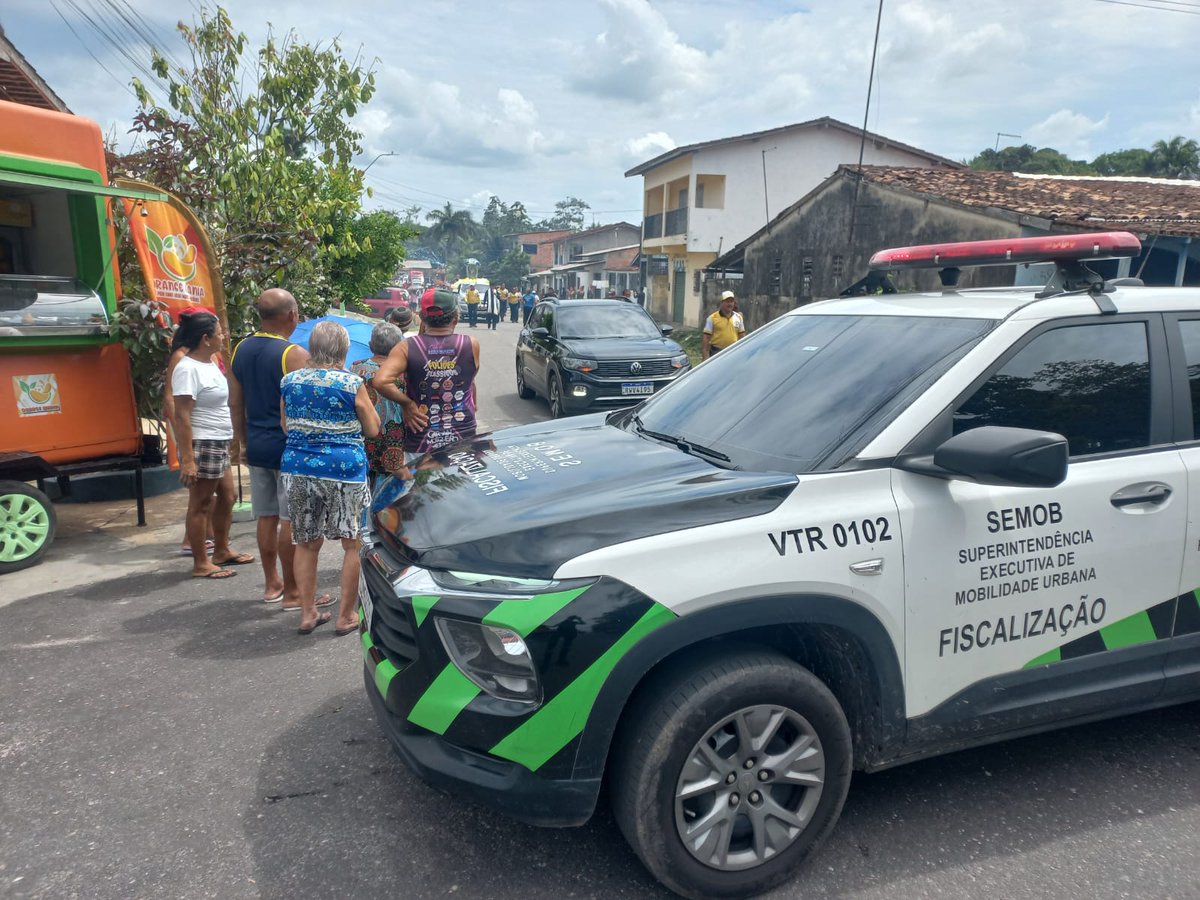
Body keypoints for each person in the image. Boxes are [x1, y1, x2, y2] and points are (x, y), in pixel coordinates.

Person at [228, 288, 328, 608]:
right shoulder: (293, 354)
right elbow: (310, 405)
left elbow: (235, 403)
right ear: (292, 315)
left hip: (257, 444)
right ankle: (294, 591)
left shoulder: (240, 349)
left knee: (266, 515)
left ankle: (272, 584)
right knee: (291, 519)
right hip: (289, 448)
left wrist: (242, 442)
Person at [280, 322, 380, 636]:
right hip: (344, 468)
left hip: (298, 467)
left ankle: (307, 613)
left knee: (306, 542)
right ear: (343, 350)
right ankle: (346, 615)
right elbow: (373, 428)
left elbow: (286, 425)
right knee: (353, 543)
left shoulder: (289, 380)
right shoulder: (351, 383)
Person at [169, 311, 254, 579]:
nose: (223, 336)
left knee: (228, 496)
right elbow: (182, 415)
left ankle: (221, 550)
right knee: (201, 502)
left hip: (218, 440)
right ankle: (201, 563)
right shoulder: (187, 368)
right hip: (203, 441)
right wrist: (188, 460)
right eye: (218, 333)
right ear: (205, 338)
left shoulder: (210, 363)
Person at [373, 288, 480, 460]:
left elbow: (381, 381)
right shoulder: (470, 344)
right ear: (455, 318)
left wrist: (407, 404)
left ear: (422, 318)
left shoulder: (407, 347)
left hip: (422, 437)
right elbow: (470, 380)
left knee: (422, 478)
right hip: (463, 433)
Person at [163, 312, 215, 559]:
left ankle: (209, 536)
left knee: (218, 492)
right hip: (194, 430)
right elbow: (171, 398)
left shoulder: (209, 356)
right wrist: (184, 443)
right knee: (200, 493)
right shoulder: (182, 358)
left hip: (213, 431)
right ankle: (193, 541)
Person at [349, 323, 408, 481]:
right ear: (398, 347)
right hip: (394, 438)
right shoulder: (403, 372)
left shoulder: (355, 368)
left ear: (370, 345)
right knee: (390, 485)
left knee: (364, 480)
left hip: (364, 434)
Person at [702, 290, 746, 360]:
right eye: (727, 301)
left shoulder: (738, 317)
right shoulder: (712, 318)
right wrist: (705, 358)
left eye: (731, 301)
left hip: (733, 352)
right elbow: (706, 339)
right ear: (722, 302)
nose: (730, 304)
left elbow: (742, 337)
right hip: (717, 353)